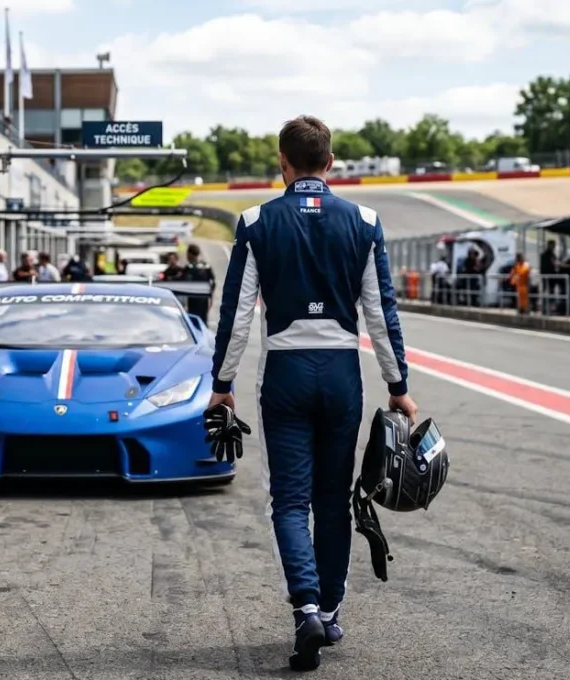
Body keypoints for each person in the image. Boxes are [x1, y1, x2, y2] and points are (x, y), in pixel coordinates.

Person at [209, 115, 416, 671]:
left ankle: (305, 608)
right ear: (329, 164)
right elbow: (380, 313)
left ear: (282, 162)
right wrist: (399, 389)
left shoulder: (255, 221)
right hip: (342, 372)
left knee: (289, 500)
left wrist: (221, 386)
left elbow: (235, 317)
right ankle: (330, 607)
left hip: (285, 372)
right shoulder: (366, 220)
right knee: (333, 499)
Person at [182, 244, 216, 322]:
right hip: (204, 299)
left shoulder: (189, 267)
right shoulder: (206, 266)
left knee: (192, 321)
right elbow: (212, 283)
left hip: (192, 299)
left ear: (190, 254)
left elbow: (182, 283)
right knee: (203, 322)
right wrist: (210, 297)